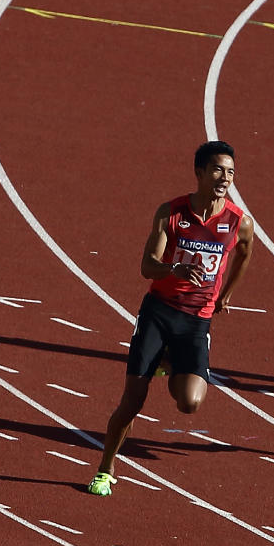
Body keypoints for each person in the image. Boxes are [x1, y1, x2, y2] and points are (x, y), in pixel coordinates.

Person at [88, 141, 255, 496]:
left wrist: (226, 294)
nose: (224, 178)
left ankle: (169, 360)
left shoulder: (239, 222)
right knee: (132, 400)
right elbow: (146, 266)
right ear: (199, 172)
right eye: (217, 170)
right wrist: (173, 268)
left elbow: (245, 253)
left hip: (197, 321)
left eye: (230, 172)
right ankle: (105, 468)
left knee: (189, 403)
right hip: (159, 313)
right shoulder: (171, 213)